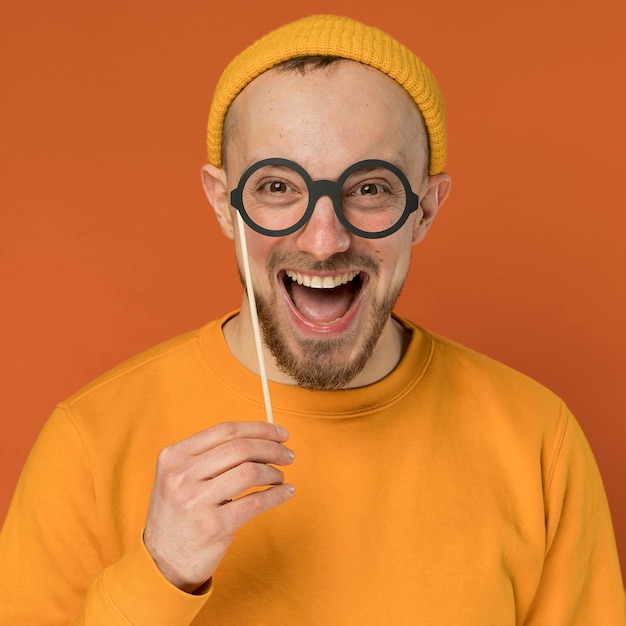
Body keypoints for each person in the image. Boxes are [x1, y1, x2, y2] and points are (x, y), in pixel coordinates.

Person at [0, 13, 624, 625]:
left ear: (426, 209)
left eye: (371, 188)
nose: (323, 240)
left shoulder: (539, 441)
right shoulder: (89, 442)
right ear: (224, 204)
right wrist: (160, 571)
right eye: (277, 187)